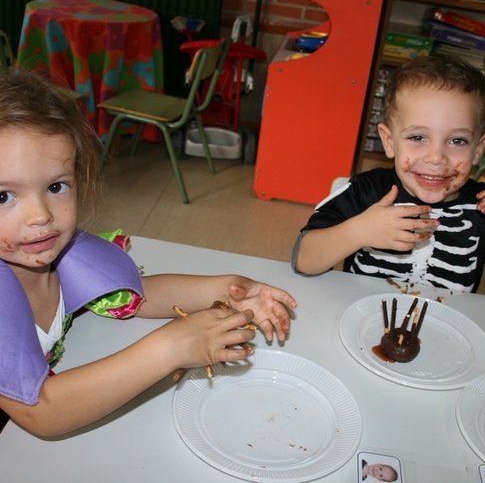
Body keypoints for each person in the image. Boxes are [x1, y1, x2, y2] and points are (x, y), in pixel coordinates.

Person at [0, 72, 297, 437]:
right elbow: (42, 412)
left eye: (56, 187)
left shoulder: (54, 256)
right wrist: (170, 347)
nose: (41, 215)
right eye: (4, 196)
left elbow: (138, 294)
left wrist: (232, 288)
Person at [292, 54, 485, 308]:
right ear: (389, 141)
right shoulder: (366, 190)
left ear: (478, 149)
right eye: (418, 137)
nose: (436, 157)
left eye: (457, 141)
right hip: (360, 321)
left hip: (445, 334)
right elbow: (302, 260)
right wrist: (358, 232)